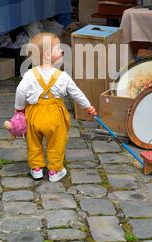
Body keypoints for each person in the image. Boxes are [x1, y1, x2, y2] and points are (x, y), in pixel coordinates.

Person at [15, 32, 97, 182]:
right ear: (47, 54)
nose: (62, 51)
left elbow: (20, 91)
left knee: (33, 142)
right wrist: (88, 106)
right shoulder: (62, 76)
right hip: (55, 115)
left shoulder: (29, 74)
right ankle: (55, 170)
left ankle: (36, 168)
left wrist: (19, 108)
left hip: (34, 113)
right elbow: (76, 93)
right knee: (56, 142)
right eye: (58, 48)